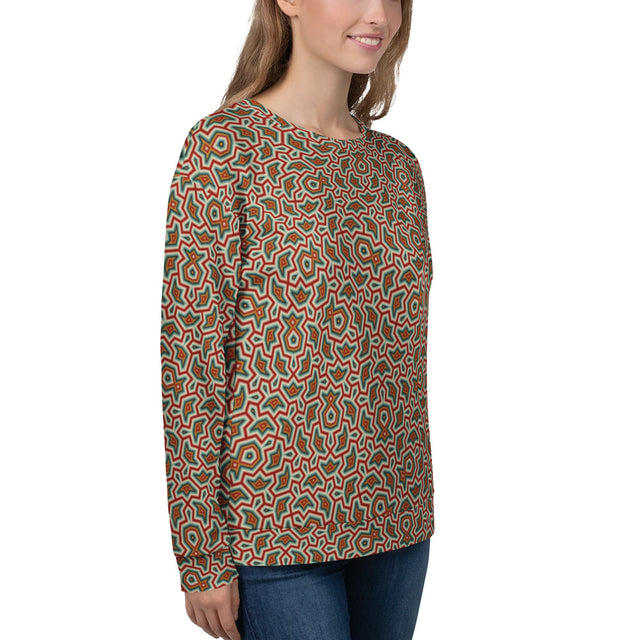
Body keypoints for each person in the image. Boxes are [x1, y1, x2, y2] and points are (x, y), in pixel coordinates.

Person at [160, 1, 435, 638]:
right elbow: (192, 361)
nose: (378, 15)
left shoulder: (398, 168)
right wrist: (200, 550)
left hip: (398, 517)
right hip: (274, 529)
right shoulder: (224, 150)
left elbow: (399, 356)